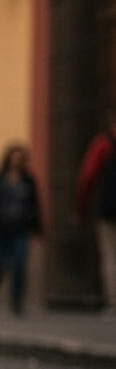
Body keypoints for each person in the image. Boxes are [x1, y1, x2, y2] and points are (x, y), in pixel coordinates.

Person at [0, 144, 43, 316]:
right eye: (14, 158)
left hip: (19, 230)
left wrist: (37, 231)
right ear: (8, 159)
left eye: (19, 158)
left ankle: (17, 303)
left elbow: (34, 206)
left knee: (19, 265)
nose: (16, 161)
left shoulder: (28, 181)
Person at [76, 109, 116, 312]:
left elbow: (88, 178)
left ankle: (114, 302)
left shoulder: (103, 145)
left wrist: (81, 210)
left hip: (109, 209)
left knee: (110, 257)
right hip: (109, 209)